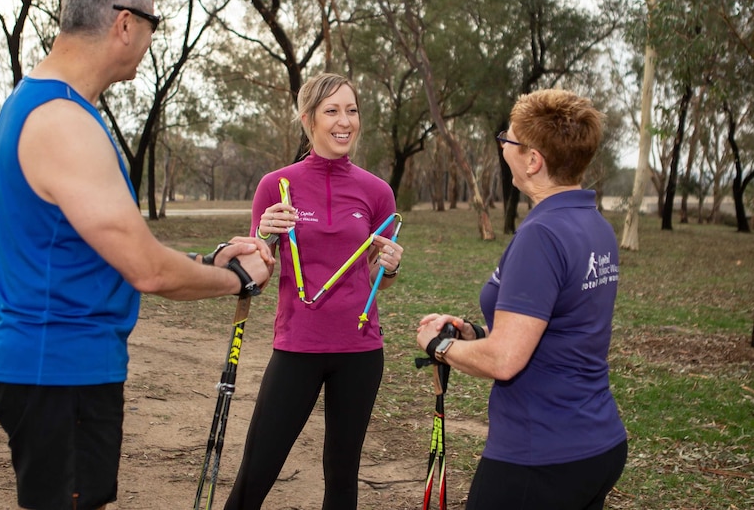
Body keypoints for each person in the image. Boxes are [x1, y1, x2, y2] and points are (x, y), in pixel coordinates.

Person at [0, 0, 274, 510]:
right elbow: (146, 270)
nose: (151, 39)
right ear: (125, 23)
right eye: (154, 24)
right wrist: (237, 280)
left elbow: (108, 247)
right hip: (56, 367)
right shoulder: (63, 121)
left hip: (51, 363)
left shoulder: (44, 102)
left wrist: (208, 260)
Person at [416, 89, 627, 510]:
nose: (502, 147)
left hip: (541, 456)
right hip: (597, 444)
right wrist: (475, 333)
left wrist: (438, 345)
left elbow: (505, 360)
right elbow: (552, 329)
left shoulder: (541, 235)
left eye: (508, 140)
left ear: (533, 161)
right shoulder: (595, 224)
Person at [222, 73, 404, 510]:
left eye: (352, 110)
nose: (345, 122)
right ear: (308, 120)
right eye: (332, 111)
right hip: (298, 345)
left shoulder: (376, 191)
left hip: (360, 350)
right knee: (258, 468)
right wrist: (263, 235)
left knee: (341, 476)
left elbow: (382, 273)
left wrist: (392, 266)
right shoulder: (276, 186)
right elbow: (255, 273)